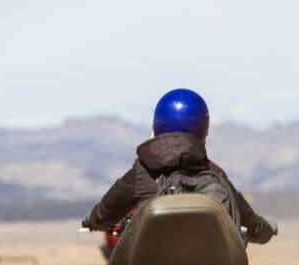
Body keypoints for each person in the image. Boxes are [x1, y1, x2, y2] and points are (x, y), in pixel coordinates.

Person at [82, 88, 277, 244]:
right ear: (203, 128)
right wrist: (266, 229)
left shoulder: (141, 171)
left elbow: (106, 211)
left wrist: (92, 222)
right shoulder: (214, 173)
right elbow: (252, 223)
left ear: (157, 124)